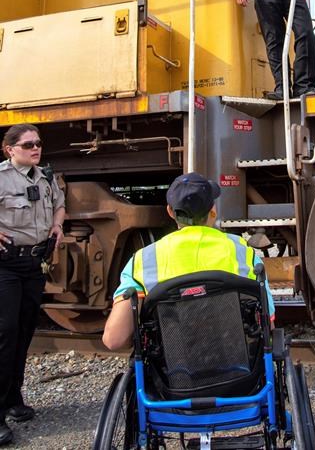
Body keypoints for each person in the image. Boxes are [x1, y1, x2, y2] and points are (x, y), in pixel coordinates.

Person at [103, 172, 275, 350]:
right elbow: (267, 325)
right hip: (239, 371)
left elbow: (114, 339)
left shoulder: (143, 261)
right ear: (213, 211)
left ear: (170, 211)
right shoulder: (243, 253)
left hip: (170, 375)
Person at [0, 124, 65, 446]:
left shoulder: (47, 176)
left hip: (34, 263)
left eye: (38, 144)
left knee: (25, 329)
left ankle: (13, 398)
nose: (35, 149)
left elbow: (59, 203)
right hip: (5, 264)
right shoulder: (0, 177)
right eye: (28, 145)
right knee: (5, 331)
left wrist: (57, 223)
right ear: (10, 149)